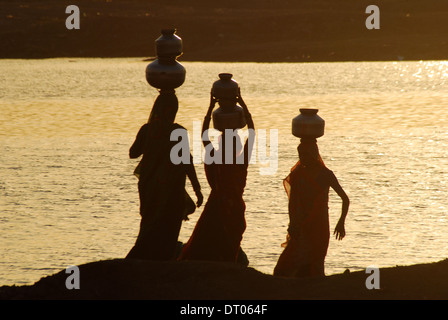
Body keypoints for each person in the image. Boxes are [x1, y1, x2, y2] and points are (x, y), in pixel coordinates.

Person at [179, 89, 255, 263]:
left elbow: (204, 134)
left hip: (217, 207)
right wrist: (242, 103)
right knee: (228, 242)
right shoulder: (241, 159)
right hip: (232, 207)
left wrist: (210, 107)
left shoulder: (215, 155)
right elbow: (251, 132)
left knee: (209, 241)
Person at [126, 92, 203, 261]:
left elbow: (133, 153)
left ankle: (143, 257)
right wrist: (197, 188)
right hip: (171, 187)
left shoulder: (147, 129)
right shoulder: (178, 131)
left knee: (149, 222)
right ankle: (163, 260)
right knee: (168, 225)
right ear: (171, 110)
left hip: (149, 186)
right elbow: (186, 162)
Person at [273, 138, 349, 278]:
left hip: (319, 226)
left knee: (315, 263)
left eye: (305, 154)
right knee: (285, 266)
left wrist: (341, 222)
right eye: (300, 155)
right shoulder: (298, 175)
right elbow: (293, 203)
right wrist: (292, 224)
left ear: (313, 154)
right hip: (301, 226)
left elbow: (345, 199)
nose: (302, 158)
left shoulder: (326, 174)